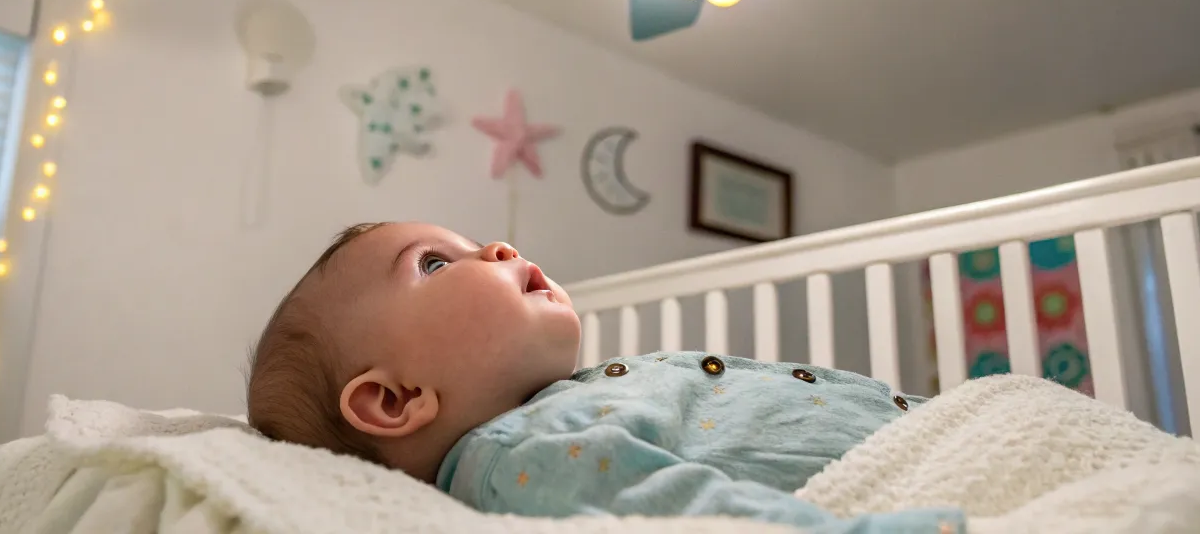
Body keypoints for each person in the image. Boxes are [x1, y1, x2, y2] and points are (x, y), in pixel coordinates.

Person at [247, 222, 963, 533]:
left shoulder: (570, 404)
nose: (499, 246)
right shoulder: (521, 456)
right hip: (933, 467)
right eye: (435, 263)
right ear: (395, 398)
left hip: (943, 426)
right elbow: (693, 520)